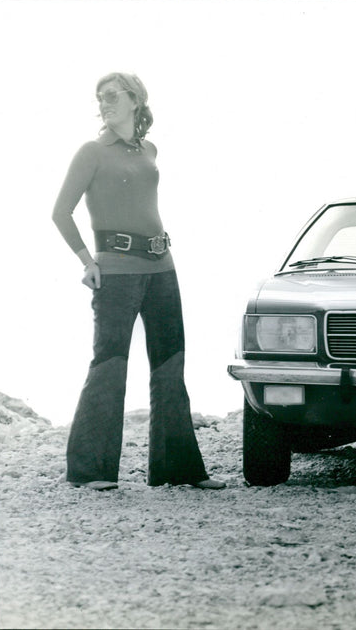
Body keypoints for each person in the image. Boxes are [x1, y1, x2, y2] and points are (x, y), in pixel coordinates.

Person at [52, 72, 225, 491]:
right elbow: (61, 212)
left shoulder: (149, 149)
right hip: (115, 270)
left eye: (112, 96)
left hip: (162, 266)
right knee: (109, 364)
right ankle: (90, 471)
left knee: (170, 362)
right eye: (100, 98)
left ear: (134, 99)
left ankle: (177, 470)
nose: (104, 103)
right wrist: (85, 261)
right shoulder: (91, 151)